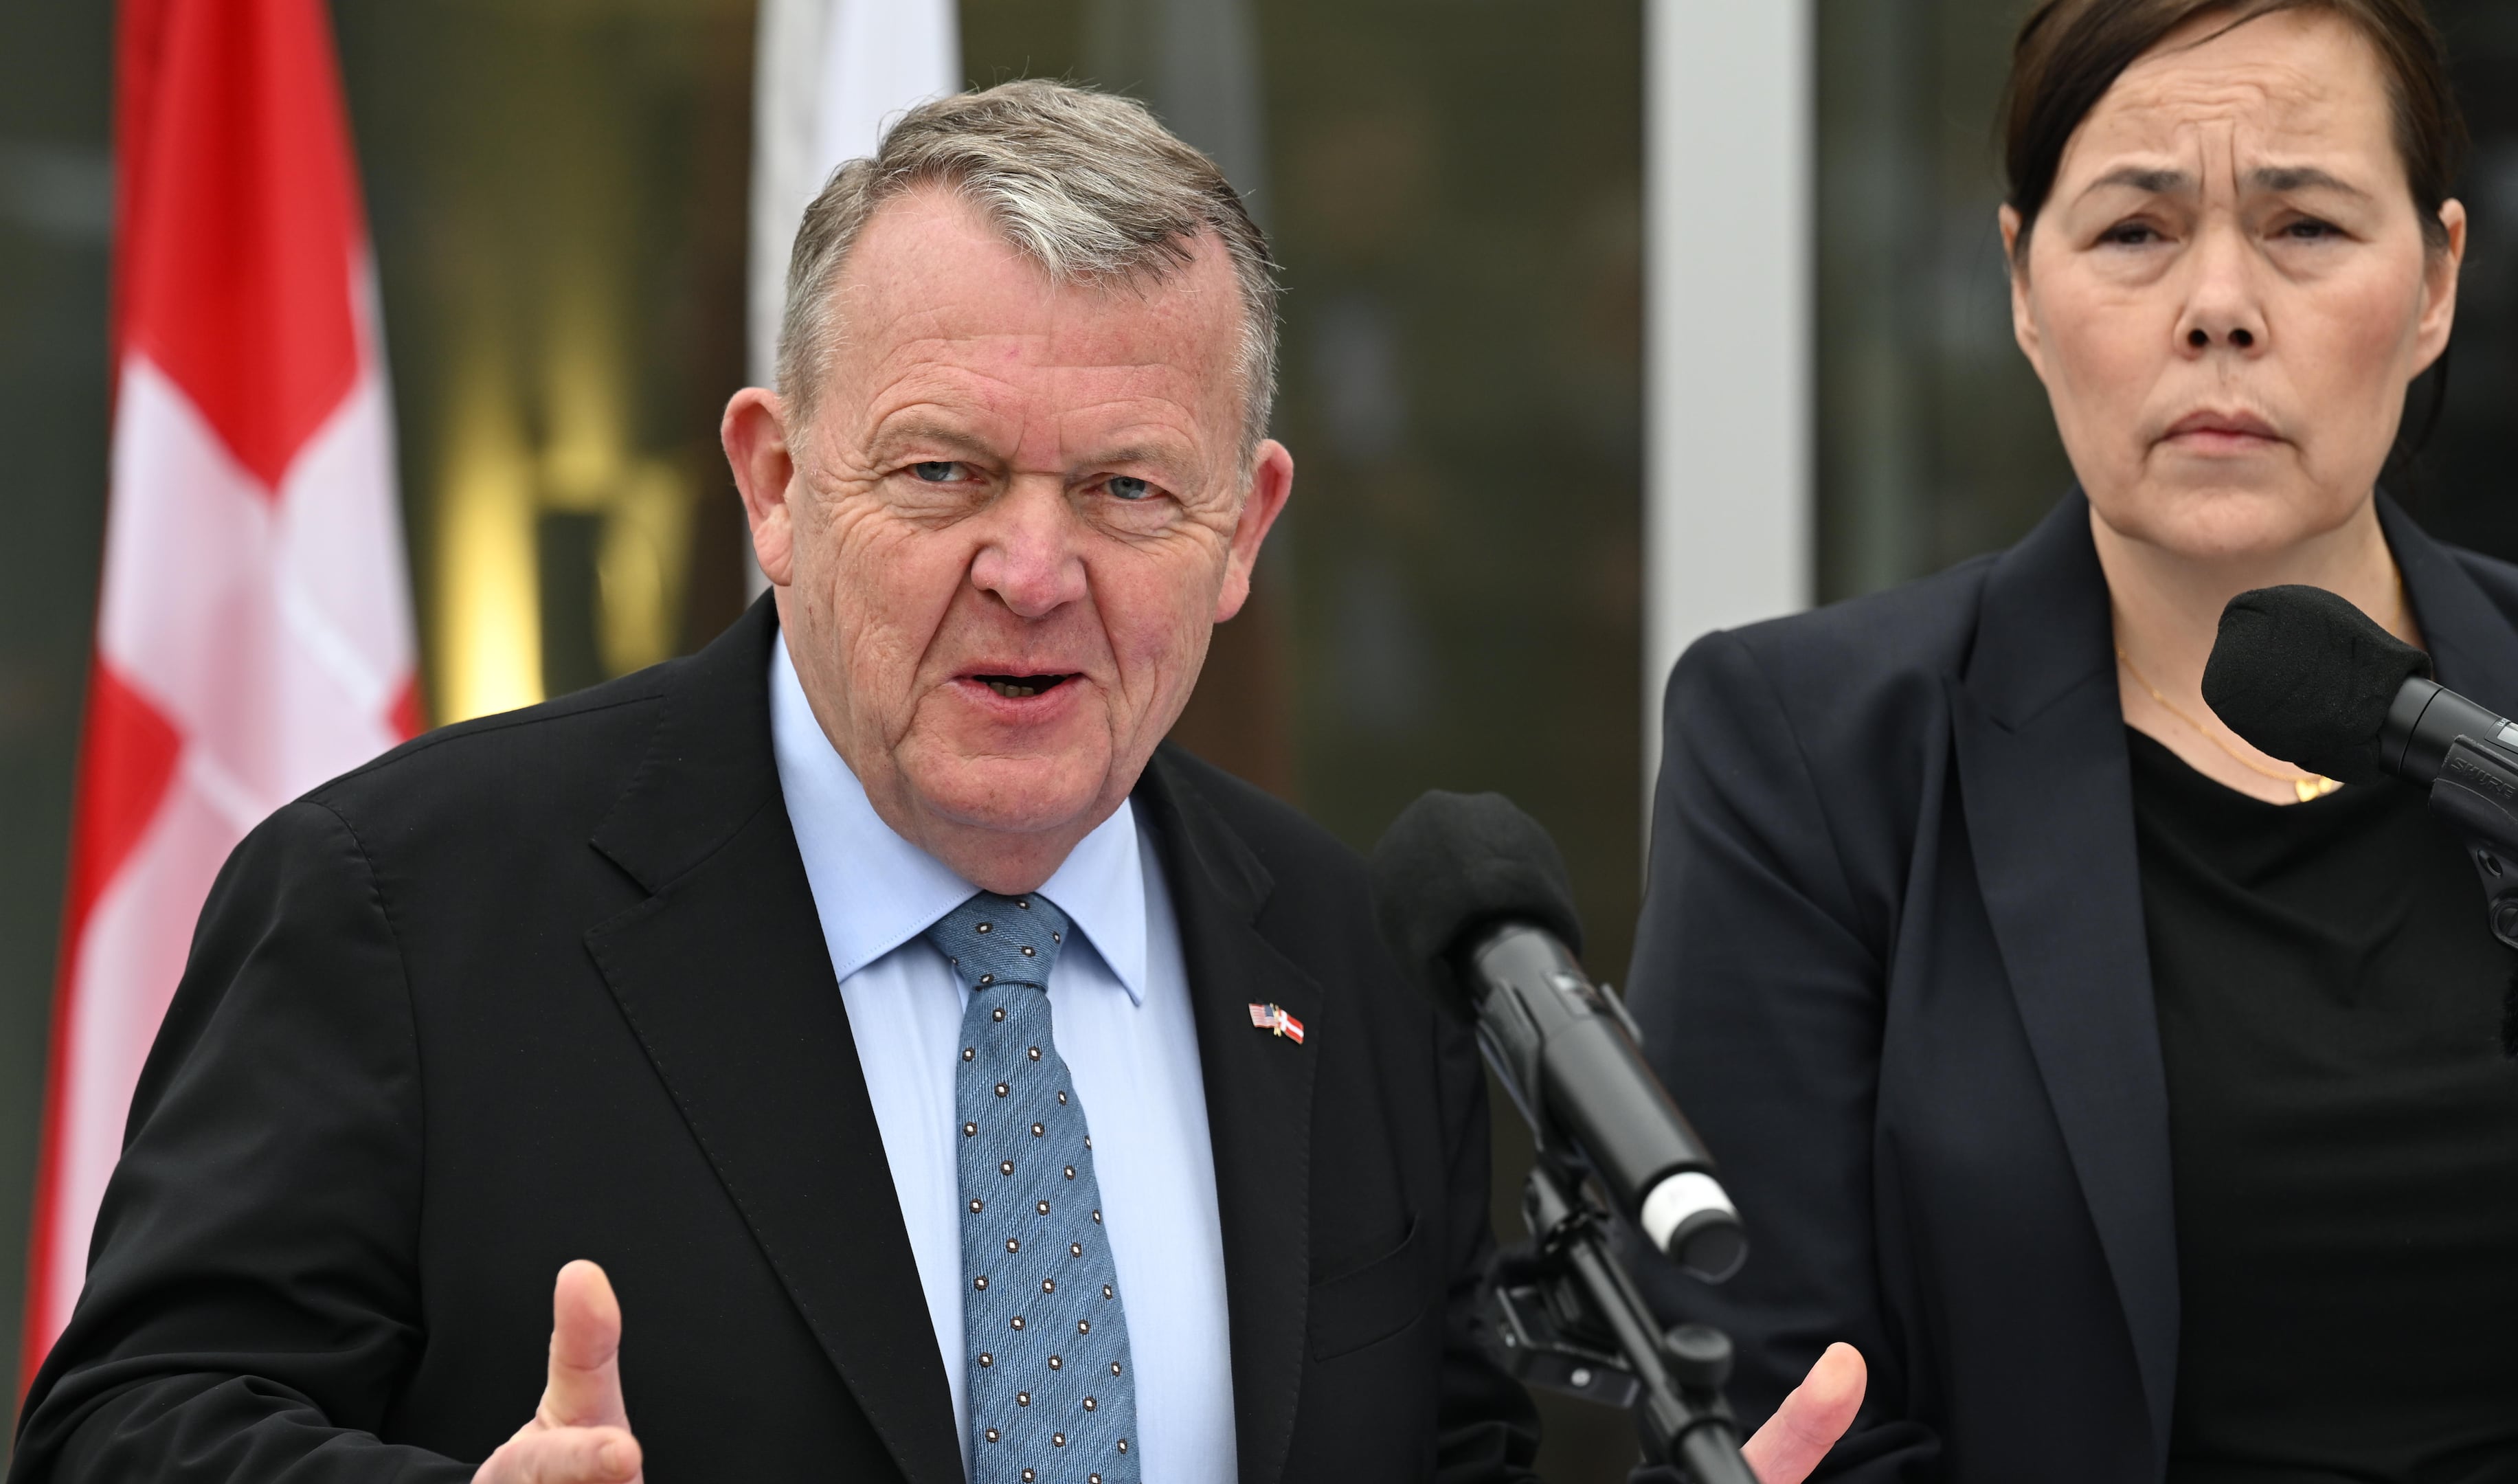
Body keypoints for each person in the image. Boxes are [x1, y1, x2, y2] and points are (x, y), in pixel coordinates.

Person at [11, 81, 1548, 1483]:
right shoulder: (406, 907)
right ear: (776, 483)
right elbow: (122, 1434)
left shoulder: (1360, 958)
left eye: (1126, 489)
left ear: (1244, 530)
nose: (1031, 572)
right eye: (944, 473)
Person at [1629, 1, 2518, 1479]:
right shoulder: (1810, 756)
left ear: (2437, 282)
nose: (2219, 307)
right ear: (2024, 287)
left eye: (2305, 226)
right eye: (2135, 232)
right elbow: (1761, 1392)